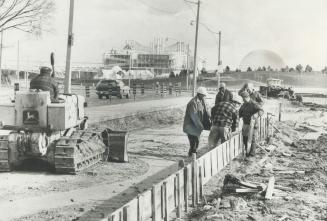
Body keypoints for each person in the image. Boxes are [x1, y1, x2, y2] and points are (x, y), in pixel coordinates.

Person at [183, 87, 210, 156]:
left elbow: (204, 112)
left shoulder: (201, 101)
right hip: (190, 125)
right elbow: (194, 116)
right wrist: (200, 126)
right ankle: (192, 155)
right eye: (203, 95)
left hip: (196, 125)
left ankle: (192, 153)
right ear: (199, 94)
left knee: (196, 141)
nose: (204, 97)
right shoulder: (192, 103)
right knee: (193, 141)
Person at [239, 91, 264, 157]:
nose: (243, 100)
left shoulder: (254, 104)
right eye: (242, 98)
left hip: (253, 125)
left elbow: (261, 111)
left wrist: (256, 114)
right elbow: (240, 113)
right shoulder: (244, 104)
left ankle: (252, 154)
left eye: (244, 98)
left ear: (247, 97)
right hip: (245, 124)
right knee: (245, 138)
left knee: (252, 139)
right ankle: (247, 152)